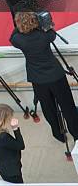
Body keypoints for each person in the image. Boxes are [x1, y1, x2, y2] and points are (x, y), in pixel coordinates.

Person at [11, 11, 78, 143]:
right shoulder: (45, 35)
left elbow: (13, 36)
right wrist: (41, 24)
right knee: (67, 106)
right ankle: (76, 133)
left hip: (38, 79)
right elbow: (51, 31)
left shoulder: (18, 40)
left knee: (48, 108)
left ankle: (59, 134)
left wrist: (20, 25)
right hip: (56, 76)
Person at [0, 104, 25, 184]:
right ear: (3, 119)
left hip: (0, 163)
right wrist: (15, 129)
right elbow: (20, 145)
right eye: (9, 117)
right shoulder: (3, 137)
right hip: (11, 169)